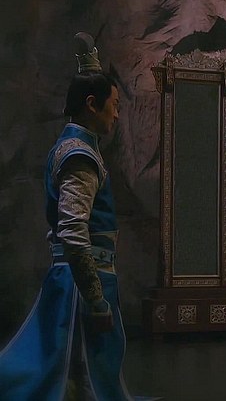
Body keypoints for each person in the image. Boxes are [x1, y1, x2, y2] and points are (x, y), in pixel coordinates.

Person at [0, 33, 133, 400]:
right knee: (76, 380)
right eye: (114, 105)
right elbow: (74, 232)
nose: (117, 114)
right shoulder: (79, 157)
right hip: (79, 287)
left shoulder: (77, 148)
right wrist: (95, 298)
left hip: (74, 280)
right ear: (92, 105)